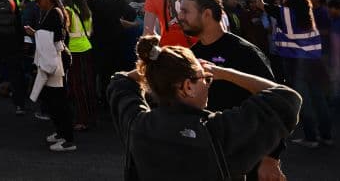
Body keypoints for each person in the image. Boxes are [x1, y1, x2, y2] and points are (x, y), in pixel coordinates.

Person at [108, 34, 302, 180]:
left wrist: (158, 67)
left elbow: (120, 81)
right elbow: (287, 98)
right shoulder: (218, 132)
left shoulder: (136, 124)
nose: (210, 83)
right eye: (206, 78)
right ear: (187, 87)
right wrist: (225, 72)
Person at [179, 0, 285, 181]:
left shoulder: (245, 52)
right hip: (212, 154)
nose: (180, 17)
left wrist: (271, 158)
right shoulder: (192, 54)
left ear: (207, 14)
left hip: (249, 155)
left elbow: (276, 101)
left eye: (185, 11)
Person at [258, 0, 333, 148]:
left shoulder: (283, 13)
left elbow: (260, 3)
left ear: (288, 1)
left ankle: (311, 138)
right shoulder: (308, 10)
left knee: (303, 100)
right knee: (319, 99)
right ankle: (326, 136)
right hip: (314, 62)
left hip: (295, 63)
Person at [26, 0, 74, 152]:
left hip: (56, 60)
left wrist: (34, 33)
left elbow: (53, 37)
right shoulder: (54, 11)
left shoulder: (54, 13)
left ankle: (68, 138)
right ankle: (61, 132)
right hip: (54, 59)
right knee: (52, 99)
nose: (37, 3)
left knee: (58, 100)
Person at [88, 0, 137, 98]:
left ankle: (103, 99)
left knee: (102, 73)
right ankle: (117, 97)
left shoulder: (93, 2)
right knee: (116, 72)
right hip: (117, 42)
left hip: (99, 43)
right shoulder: (119, 2)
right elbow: (131, 14)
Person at [64, 0, 96, 131]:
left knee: (76, 87)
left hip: (74, 51)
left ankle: (82, 119)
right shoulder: (85, 9)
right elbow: (90, 32)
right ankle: (91, 116)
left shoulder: (68, 10)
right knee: (88, 85)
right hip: (87, 49)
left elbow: (64, 32)